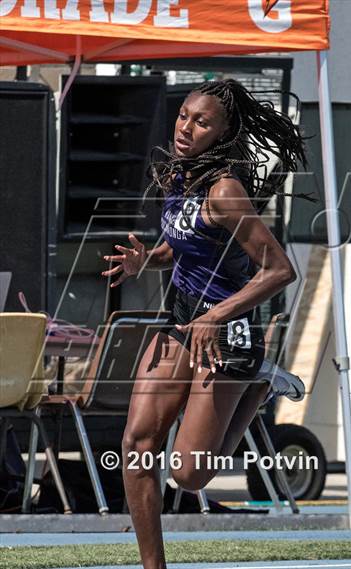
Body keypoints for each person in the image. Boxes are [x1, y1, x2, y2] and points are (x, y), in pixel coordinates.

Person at [101, 79, 308, 569]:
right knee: (137, 444)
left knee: (190, 476)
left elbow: (280, 270)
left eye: (201, 122)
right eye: (183, 116)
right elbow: (182, 245)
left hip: (228, 333)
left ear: (223, 132)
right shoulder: (179, 176)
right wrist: (145, 261)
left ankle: (258, 386)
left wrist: (216, 315)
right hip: (180, 323)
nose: (186, 128)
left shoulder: (225, 191)